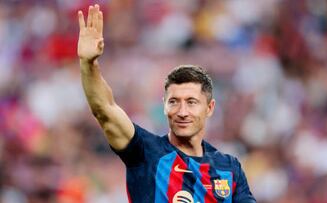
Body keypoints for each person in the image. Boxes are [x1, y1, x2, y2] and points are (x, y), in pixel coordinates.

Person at [77, 4, 256, 203]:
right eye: (174, 102)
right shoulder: (147, 153)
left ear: (209, 108)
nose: (182, 111)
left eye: (191, 102)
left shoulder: (228, 168)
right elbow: (104, 109)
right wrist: (88, 64)